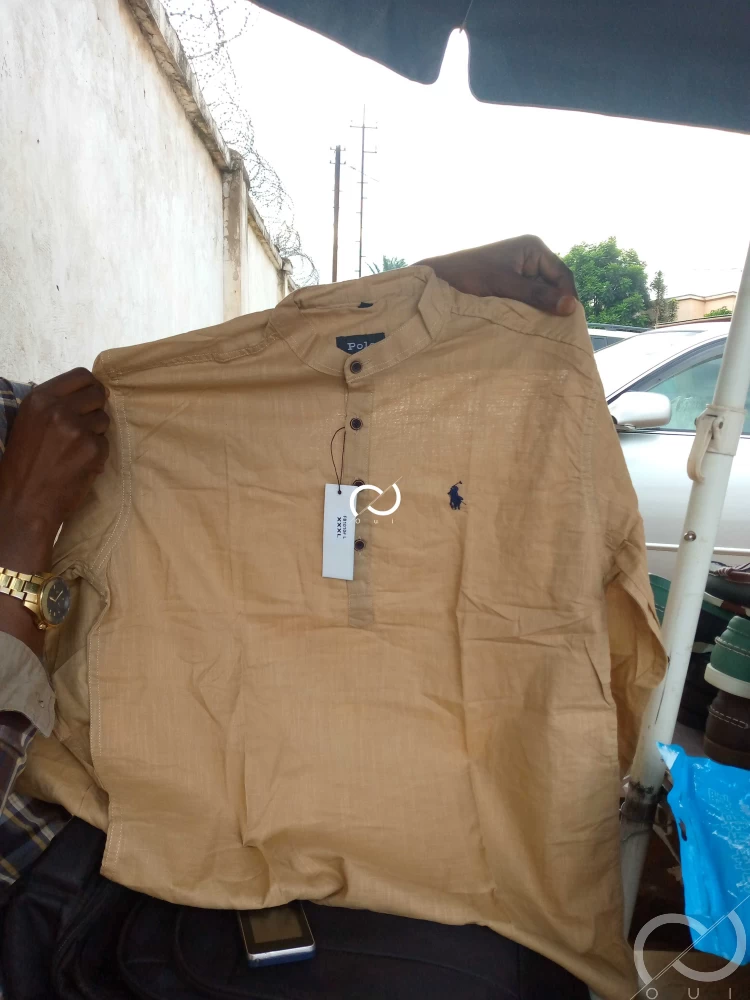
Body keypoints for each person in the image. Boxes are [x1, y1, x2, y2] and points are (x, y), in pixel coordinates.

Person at [0, 237, 579, 981]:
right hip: (66, 867)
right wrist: (22, 528)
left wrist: (414, 296)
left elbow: (217, 388)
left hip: (254, 808)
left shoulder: (543, 389)